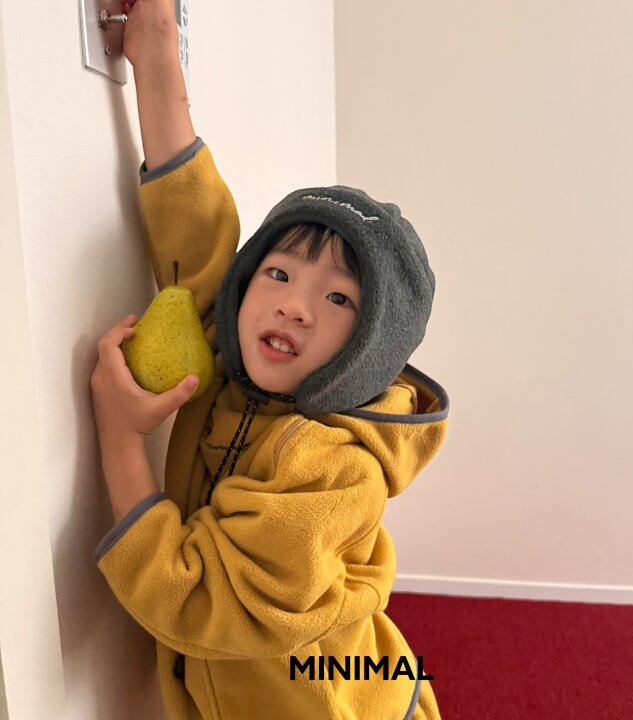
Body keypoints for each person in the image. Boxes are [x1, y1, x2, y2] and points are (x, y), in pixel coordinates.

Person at [90, 1, 450, 718]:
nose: (293, 306)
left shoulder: (336, 469)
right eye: (279, 274)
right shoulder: (238, 359)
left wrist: (122, 441)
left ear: (373, 347)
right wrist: (156, 55)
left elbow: (198, 599)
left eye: (339, 299)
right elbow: (197, 235)